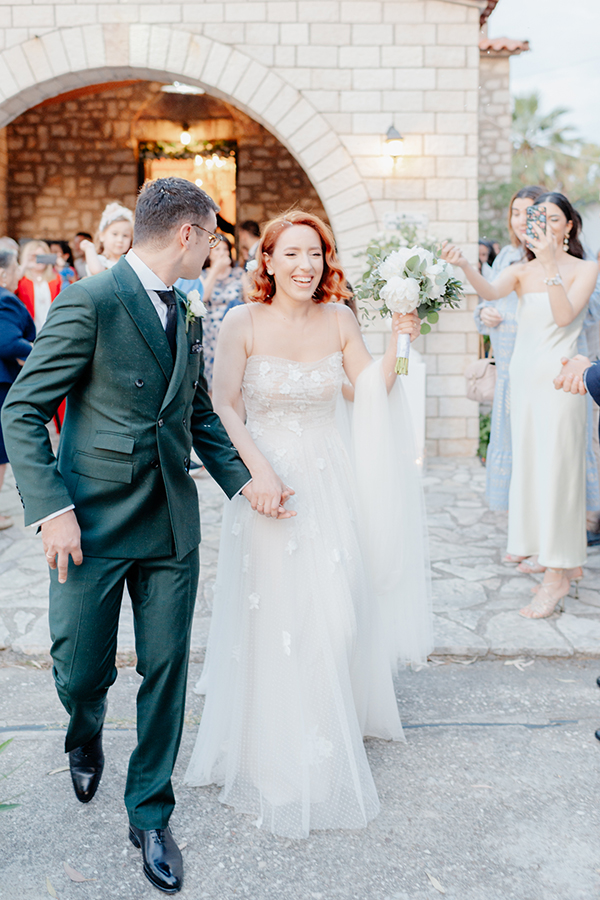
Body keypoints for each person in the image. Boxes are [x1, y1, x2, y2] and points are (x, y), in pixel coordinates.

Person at [1, 177, 279, 894]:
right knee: (78, 667)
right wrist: (51, 508)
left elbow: (195, 417)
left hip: (169, 525)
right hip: (89, 525)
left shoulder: (185, 311)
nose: (215, 249)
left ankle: (150, 811)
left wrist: (246, 481)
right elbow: (22, 409)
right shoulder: (88, 301)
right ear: (187, 234)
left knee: (167, 673)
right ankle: (84, 725)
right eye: (213, 236)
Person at [184, 210, 432, 839]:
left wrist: (401, 344)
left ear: (326, 262)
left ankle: (327, 726)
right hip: (267, 483)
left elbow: (369, 389)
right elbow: (224, 405)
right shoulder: (242, 321)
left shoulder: (340, 319)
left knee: (339, 612)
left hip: (331, 482)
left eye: (315, 254)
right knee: (281, 618)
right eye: (291, 253)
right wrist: (256, 473)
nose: (305, 265)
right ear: (266, 260)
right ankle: (279, 751)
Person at [443, 192, 598, 618]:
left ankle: (556, 575)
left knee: (560, 474)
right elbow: (490, 291)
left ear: (569, 226)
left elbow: (566, 316)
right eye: (537, 219)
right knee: (533, 474)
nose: (544, 225)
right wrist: (464, 265)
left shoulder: (586, 269)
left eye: (552, 218)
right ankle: (560, 566)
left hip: (563, 382)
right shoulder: (518, 270)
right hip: (524, 382)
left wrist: (549, 266)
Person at [474, 186, 545, 515]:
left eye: (528, 212)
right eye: (515, 213)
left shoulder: (561, 258)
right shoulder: (505, 257)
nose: (519, 221)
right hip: (507, 371)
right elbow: (486, 303)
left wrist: (510, 317)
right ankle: (520, 516)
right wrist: (486, 315)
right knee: (511, 441)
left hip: (541, 369)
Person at [0, 247, 35, 530]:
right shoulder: (5, 300)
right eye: (15, 268)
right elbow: (9, 342)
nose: (18, 274)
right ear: (3, 274)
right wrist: (40, 351)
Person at [199, 235, 247, 391]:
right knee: (211, 380)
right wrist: (215, 270)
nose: (221, 252)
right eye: (217, 249)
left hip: (235, 330)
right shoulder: (202, 274)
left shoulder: (239, 273)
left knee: (236, 379)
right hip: (210, 334)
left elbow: (249, 300)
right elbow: (203, 297)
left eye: (225, 249)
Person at [16, 240, 62, 331]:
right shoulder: (21, 280)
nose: (38, 259)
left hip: (52, 330)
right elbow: (9, 289)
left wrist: (62, 267)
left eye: (42, 256)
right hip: (28, 331)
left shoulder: (56, 279)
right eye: (34, 256)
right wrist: (25, 265)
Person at [80, 203, 133, 275]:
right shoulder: (99, 261)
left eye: (125, 235)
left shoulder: (130, 262)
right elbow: (97, 271)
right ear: (102, 235)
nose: (120, 240)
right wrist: (89, 248)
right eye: (115, 234)